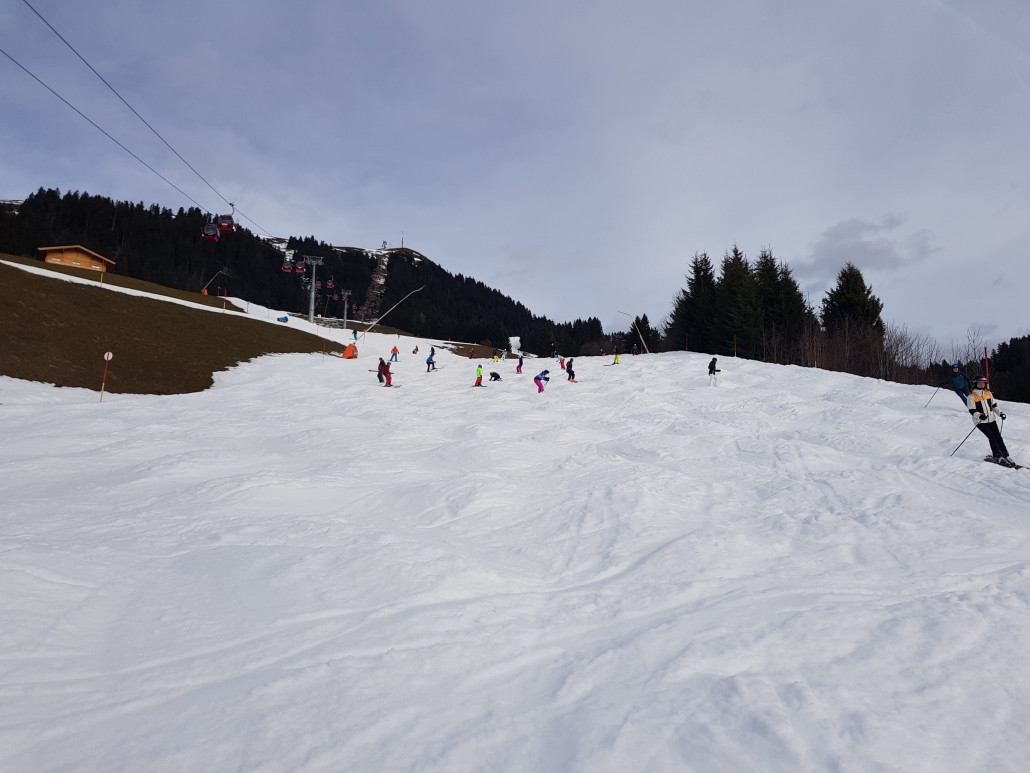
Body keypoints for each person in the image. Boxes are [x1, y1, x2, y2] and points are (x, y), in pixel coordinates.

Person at [967, 377, 1013, 466]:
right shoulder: (972, 396)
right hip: (980, 421)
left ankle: (1005, 454)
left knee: (998, 437)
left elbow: (994, 406)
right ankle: (997, 455)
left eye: (983, 383)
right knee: (991, 436)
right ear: (975, 383)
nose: (982, 384)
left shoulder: (988, 393)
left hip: (991, 419)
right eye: (980, 383)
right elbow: (972, 410)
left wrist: (1000, 414)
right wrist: (980, 415)